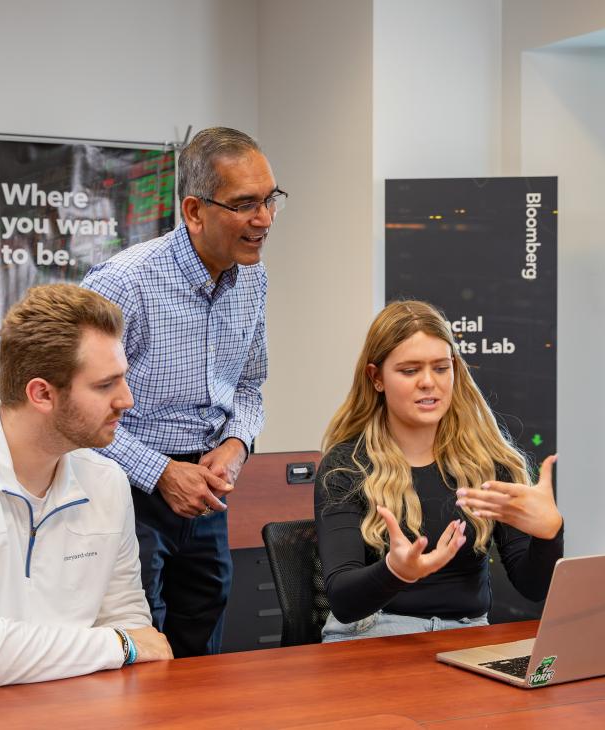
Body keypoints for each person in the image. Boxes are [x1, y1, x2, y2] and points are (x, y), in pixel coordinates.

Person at [81, 127, 285, 657]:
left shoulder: (253, 280)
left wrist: (237, 446)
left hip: (208, 488)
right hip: (125, 487)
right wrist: (161, 473)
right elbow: (78, 411)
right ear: (194, 211)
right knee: (138, 645)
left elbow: (248, 386)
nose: (263, 220)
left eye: (269, 200)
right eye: (245, 205)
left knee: (203, 637)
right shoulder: (123, 284)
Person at [0, 284, 172, 687]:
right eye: (106, 385)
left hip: (77, 701)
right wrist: (119, 646)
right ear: (42, 394)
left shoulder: (107, 481)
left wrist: (125, 642)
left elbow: (129, 621)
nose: (127, 400)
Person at [314, 300, 564, 642]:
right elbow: (343, 601)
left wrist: (549, 535)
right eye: (410, 370)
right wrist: (395, 572)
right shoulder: (345, 466)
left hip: (468, 635)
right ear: (376, 378)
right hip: (373, 633)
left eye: (441, 368)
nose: (428, 382)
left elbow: (532, 587)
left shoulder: (491, 462)